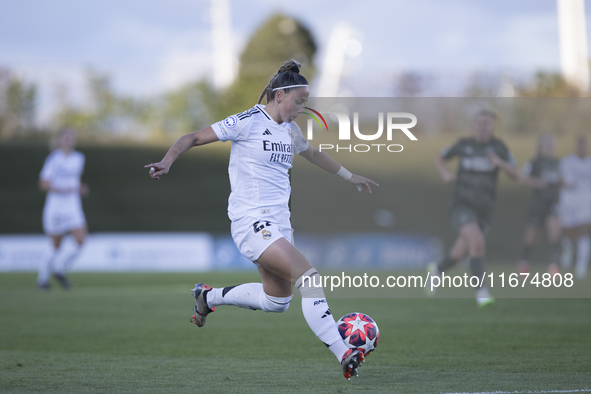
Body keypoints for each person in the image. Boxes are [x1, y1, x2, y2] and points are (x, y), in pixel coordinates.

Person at [145, 60, 378, 380]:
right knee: (310, 279)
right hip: (251, 221)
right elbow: (193, 137)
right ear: (279, 95)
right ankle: (343, 352)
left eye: (306, 102)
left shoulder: (291, 131)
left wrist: (349, 176)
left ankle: (207, 297)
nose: (301, 108)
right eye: (299, 101)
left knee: (277, 301)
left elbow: (313, 154)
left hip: (280, 224)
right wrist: (167, 161)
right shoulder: (247, 121)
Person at [429, 109, 519, 307]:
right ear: (473, 126)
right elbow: (439, 158)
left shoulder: (499, 147)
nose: (482, 127)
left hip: (485, 209)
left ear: (492, 127)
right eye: (478, 123)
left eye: (486, 124)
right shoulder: (464, 145)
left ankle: (437, 269)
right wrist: (445, 173)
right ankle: (482, 293)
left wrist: (499, 162)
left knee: (460, 252)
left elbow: (515, 174)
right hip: (462, 204)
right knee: (477, 242)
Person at [38, 129, 89, 290]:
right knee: (55, 246)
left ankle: (59, 269)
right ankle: (42, 279)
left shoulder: (79, 158)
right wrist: (63, 189)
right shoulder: (53, 159)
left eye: (70, 138)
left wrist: (79, 188)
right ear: (59, 141)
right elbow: (43, 184)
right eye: (65, 138)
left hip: (73, 206)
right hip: (56, 207)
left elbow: (74, 181)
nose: (67, 141)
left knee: (81, 240)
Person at [517, 134, 562, 275]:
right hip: (537, 203)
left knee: (555, 233)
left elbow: (561, 180)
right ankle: (524, 262)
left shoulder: (557, 163)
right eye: (546, 144)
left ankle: (554, 267)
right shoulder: (534, 162)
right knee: (532, 235)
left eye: (551, 144)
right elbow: (522, 178)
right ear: (540, 146)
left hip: (553, 203)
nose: (549, 147)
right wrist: (536, 182)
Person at [558, 135, 591, 279]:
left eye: (584, 145)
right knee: (570, 233)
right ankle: (567, 257)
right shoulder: (567, 162)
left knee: (584, 231)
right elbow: (560, 179)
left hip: (585, 202)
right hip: (569, 202)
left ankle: (581, 266)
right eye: (579, 145)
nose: (581, 148)